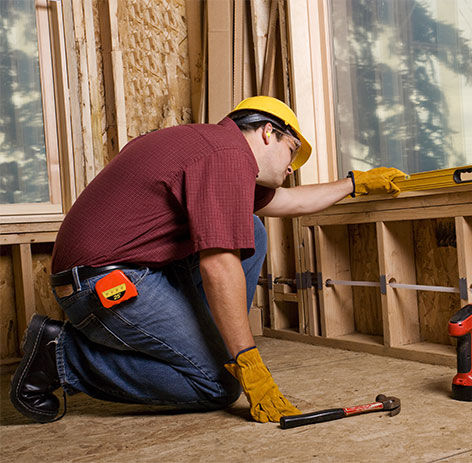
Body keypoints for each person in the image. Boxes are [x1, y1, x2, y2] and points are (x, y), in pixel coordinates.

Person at [10, 96, 405, 424]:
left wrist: (354, 184)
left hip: (124, 271)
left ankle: (213, 339)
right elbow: (218, 263)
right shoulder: (226, 156)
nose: (289, 167)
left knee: (251, 227)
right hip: (103, 285)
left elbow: (289, 202)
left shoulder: (211, 148)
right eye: (291, 152)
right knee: (218, 385)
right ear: (268, 132)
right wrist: (247, 362)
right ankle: (62, 354)